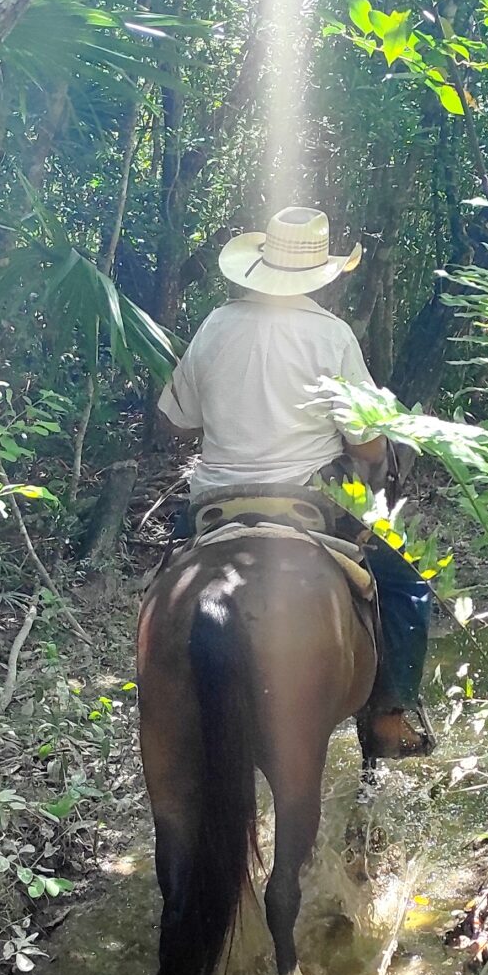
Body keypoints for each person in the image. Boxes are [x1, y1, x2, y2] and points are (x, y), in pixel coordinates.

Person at [156, 205, 433, 758]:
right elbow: (367, 445)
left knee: (167, 573)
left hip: (215, 502)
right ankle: (391, 715)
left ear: (260, 266)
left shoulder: (215, 324)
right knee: (405, 585)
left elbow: (176, 419)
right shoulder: (330, 337)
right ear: (322, 275)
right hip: (307, 501)